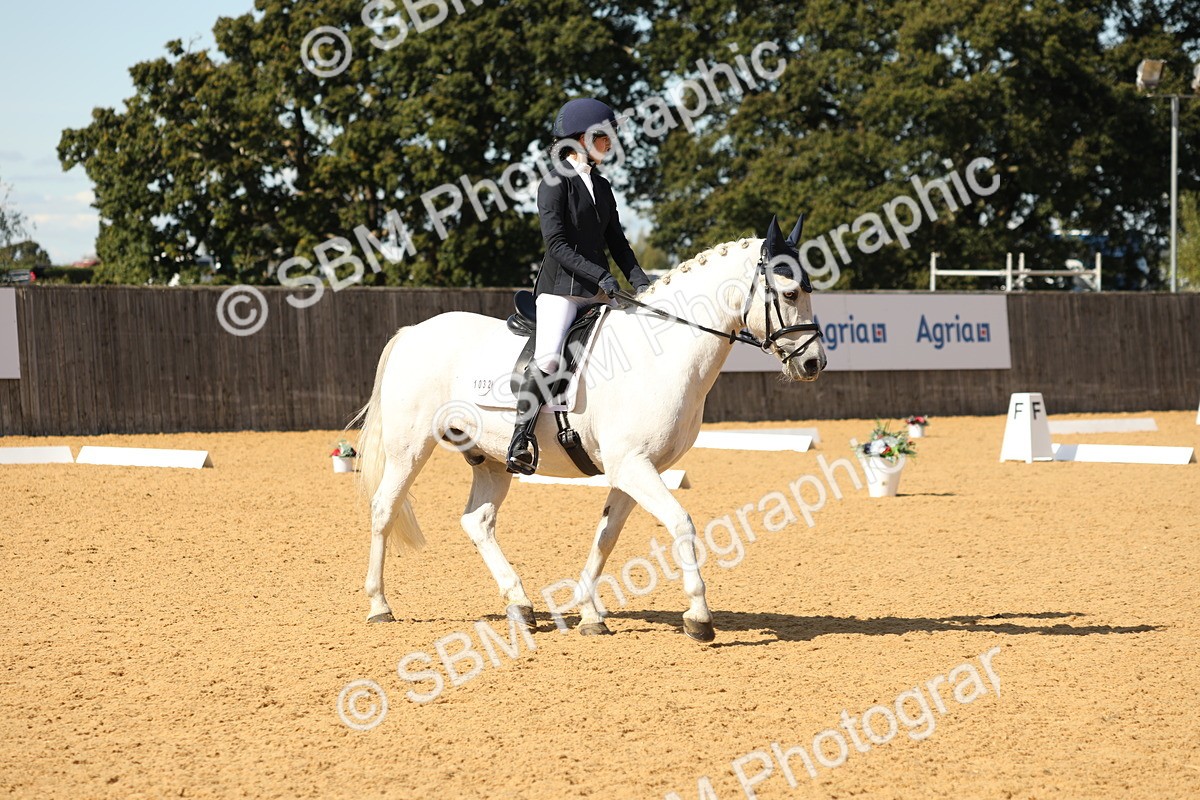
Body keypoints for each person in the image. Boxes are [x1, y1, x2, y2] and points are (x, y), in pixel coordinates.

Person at [505, 97, 651, 475]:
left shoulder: (602, 186)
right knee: (549, 359)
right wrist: (599, 276)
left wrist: (640, 282)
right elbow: (556, 245)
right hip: (561, 290)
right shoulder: (554, 183)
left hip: (598, 289)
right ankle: (521, 439)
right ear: (581, 139)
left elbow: (618, 243)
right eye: (604, 137)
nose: (610, 144)